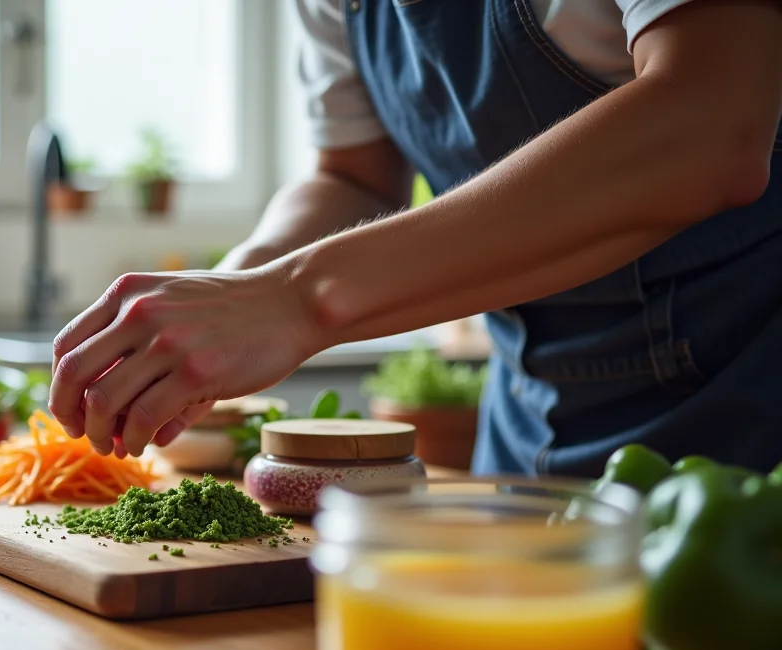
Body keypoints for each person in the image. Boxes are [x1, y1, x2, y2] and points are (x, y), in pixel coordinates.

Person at [47, 0, 782, 476]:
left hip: (743, 424)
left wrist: (295, 298)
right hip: (524, 431)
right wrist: (234, 289)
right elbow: (354, 179)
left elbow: (712, 123)